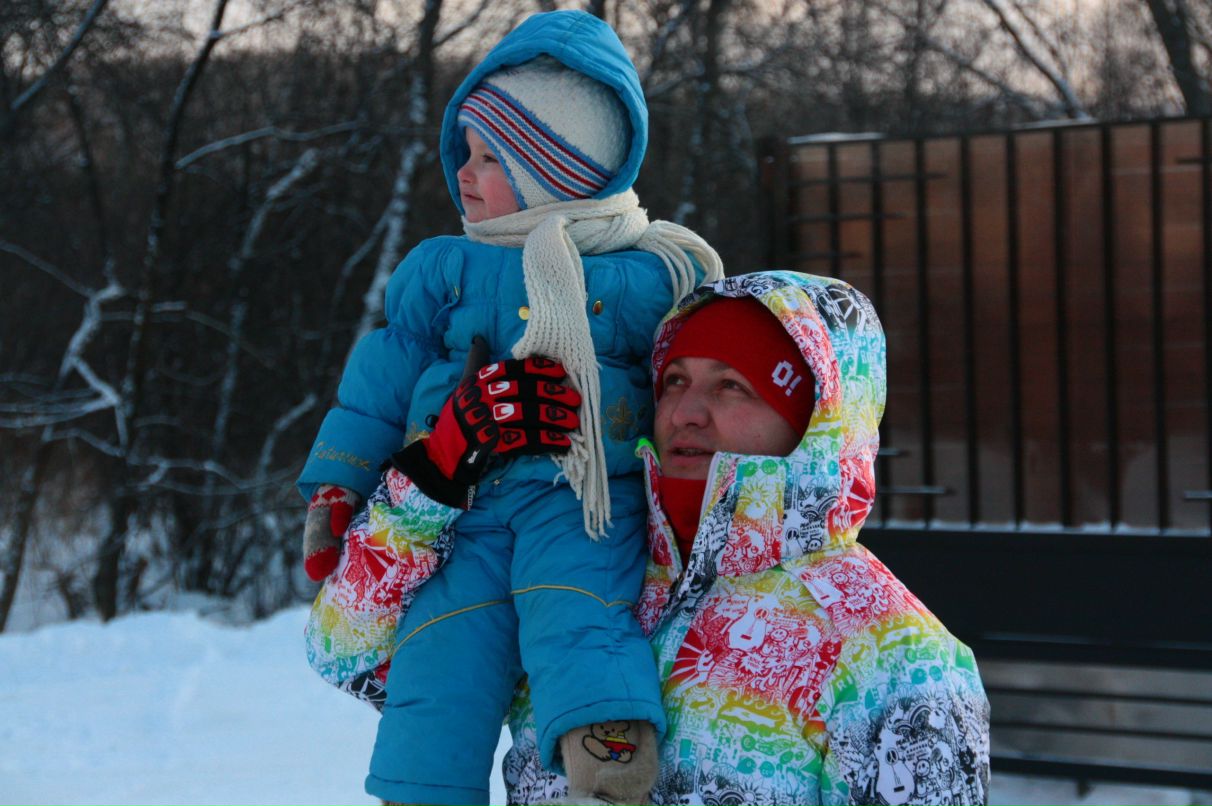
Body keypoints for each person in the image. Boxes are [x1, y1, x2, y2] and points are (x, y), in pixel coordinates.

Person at [298, 9, 723, 806]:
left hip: (583, 498)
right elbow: (381, 376)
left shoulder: (644, 272)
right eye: (463, 149)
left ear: (555, 172)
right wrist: (339, 482)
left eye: (490, 156)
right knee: (441, 646)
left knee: (582, 611)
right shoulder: (444, 268)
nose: (464, 170)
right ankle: (422, 787)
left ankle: (607, 757)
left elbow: (688, 375)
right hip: (458, 506)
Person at [502, 270, 992, 805]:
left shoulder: (891, 656)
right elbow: (411, 684)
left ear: (813, 419)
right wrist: (433, 481)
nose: (685, 413)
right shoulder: (585, 577)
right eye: (675, 381)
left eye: (731, 385)